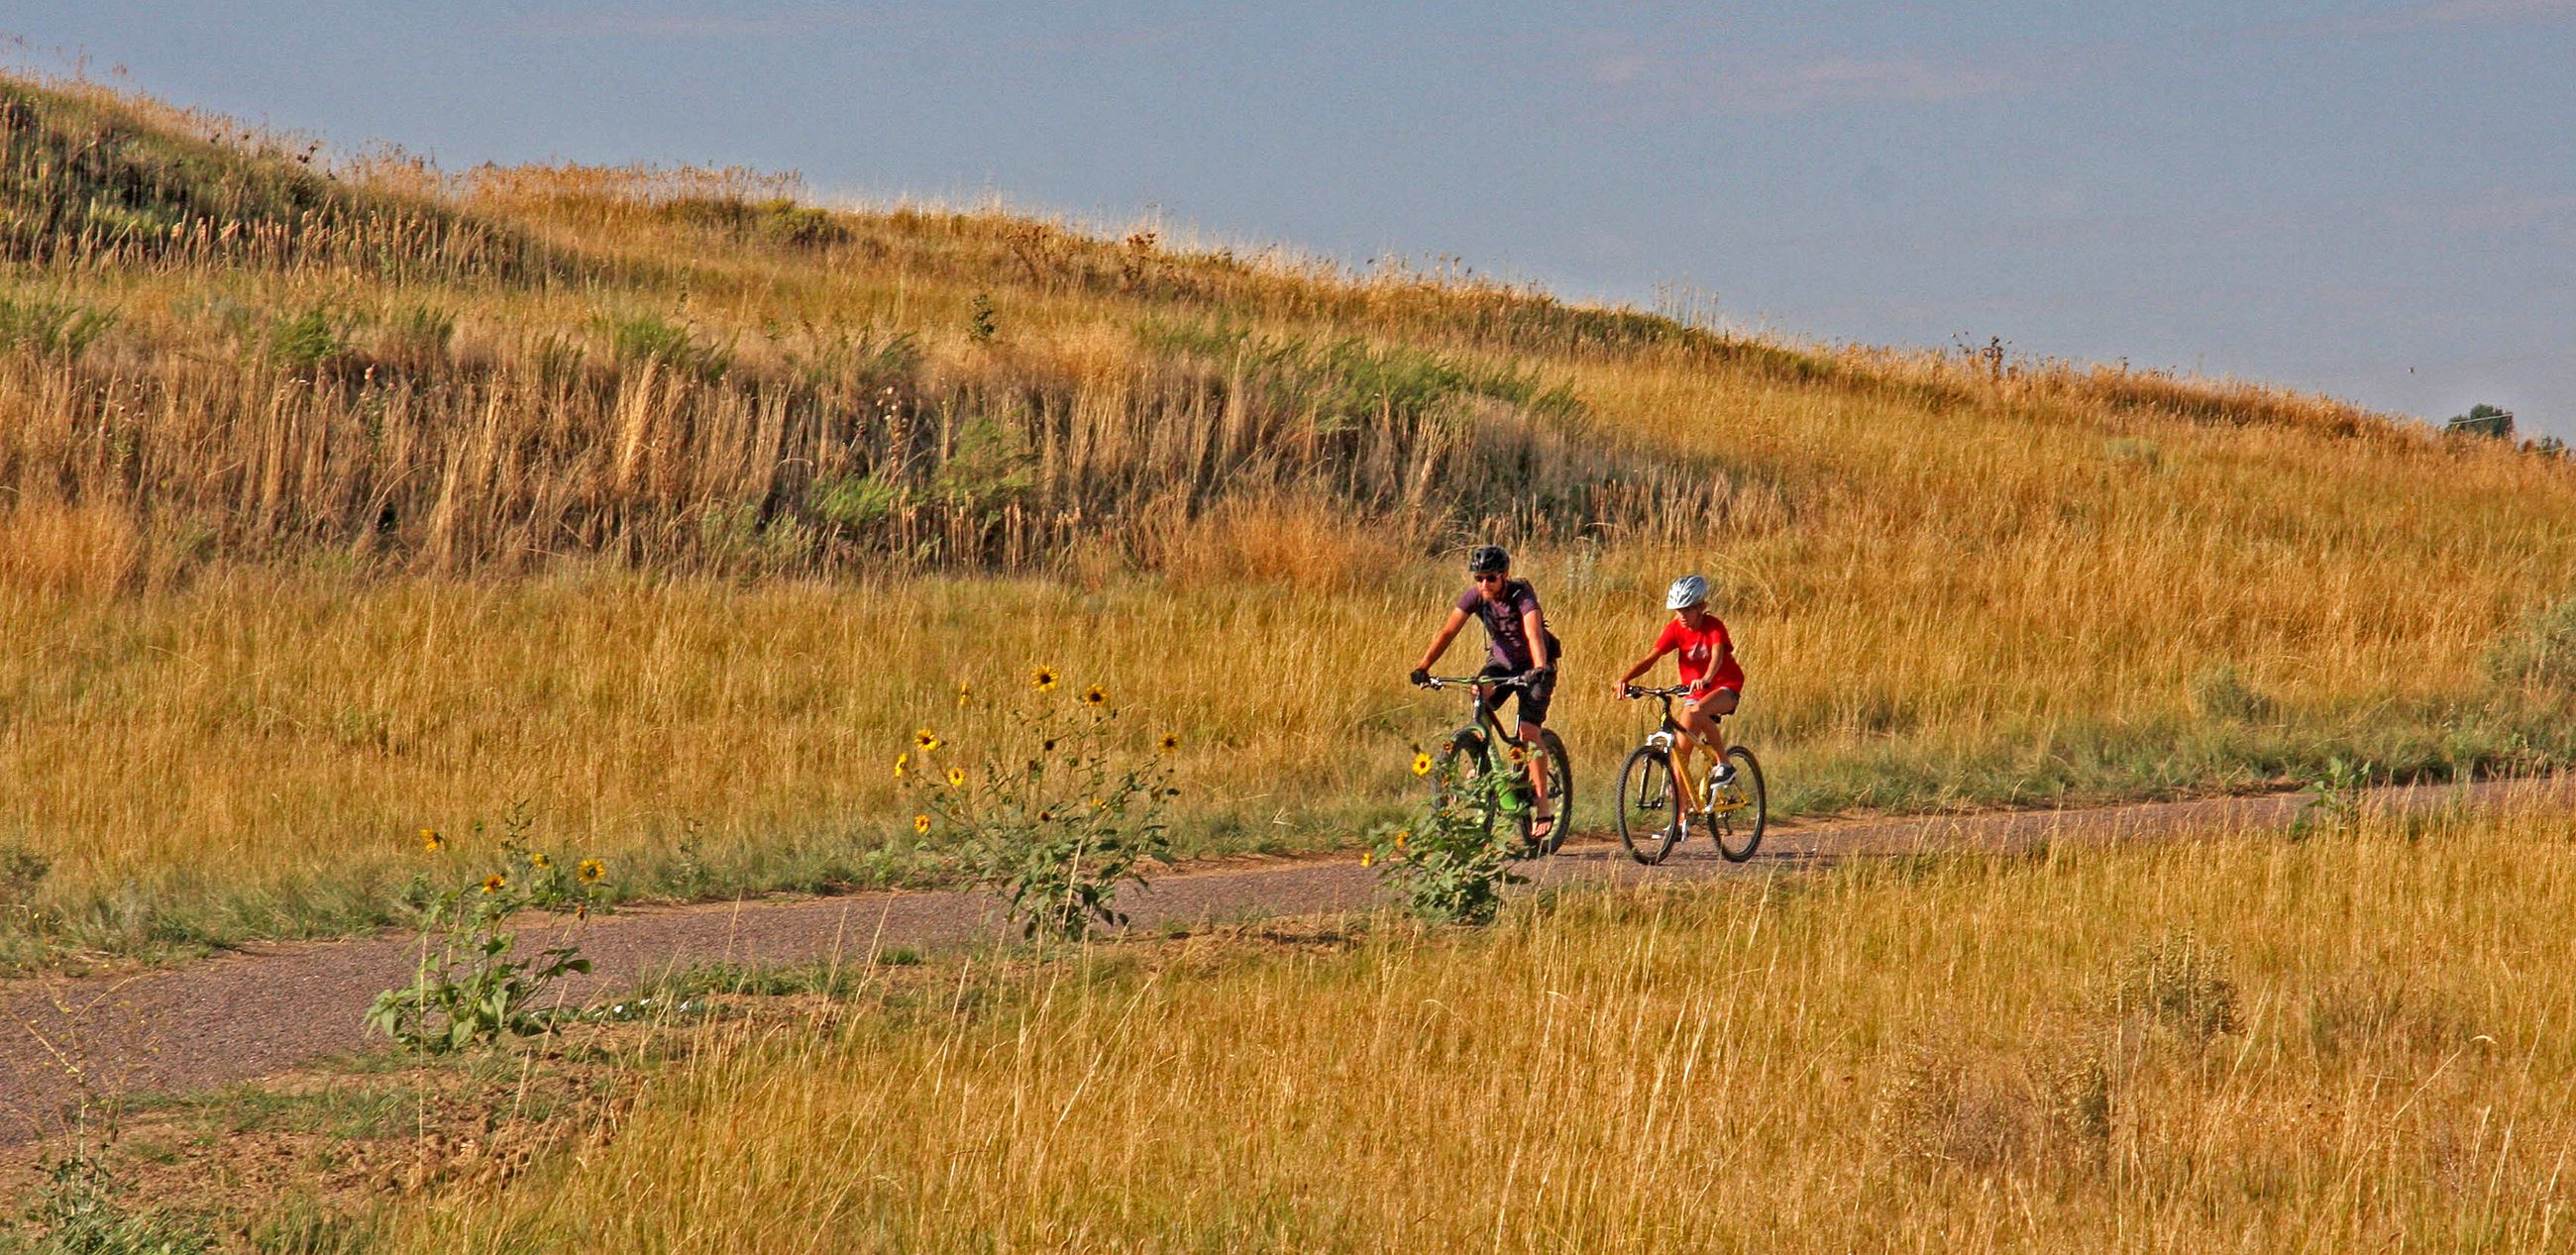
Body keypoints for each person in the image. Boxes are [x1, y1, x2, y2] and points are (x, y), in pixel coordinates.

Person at [1409, 545, 1561, 842]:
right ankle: (1483, 764)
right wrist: (1423, 667)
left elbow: (1532, 632)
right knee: (1478, 692)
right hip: (1502, 664)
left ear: (1504, 575)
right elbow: (1447, 632)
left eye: (1490, 578)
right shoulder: (1475, 597)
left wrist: (1540, 667)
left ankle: (1543, 806)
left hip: (1535, 665)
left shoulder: (1521, 595)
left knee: (1529, 731)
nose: (1484, 584)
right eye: (1478, 578)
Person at [1612, 574, 1744, 814]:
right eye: (1677, 610)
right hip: (1696, 692)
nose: (1681, 615)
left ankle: (1724, 764)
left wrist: (1706, 678)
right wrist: (1626, 679)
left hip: (1725, 686)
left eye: (1686, 609)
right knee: (1679, 758)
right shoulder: (1675, 629)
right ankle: (1681, 820)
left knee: (1698, 710)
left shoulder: (1714, 626)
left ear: (1701, 607)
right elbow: (1651, 658)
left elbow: (1717, 656)